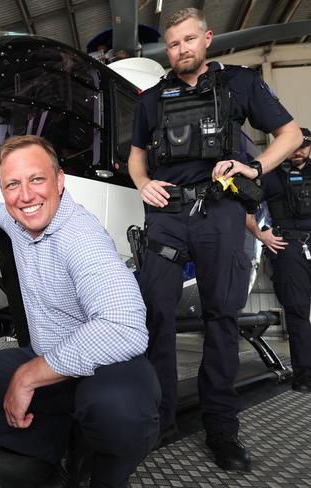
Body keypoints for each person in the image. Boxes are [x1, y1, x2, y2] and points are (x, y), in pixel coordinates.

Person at [128, 7, 302, 472]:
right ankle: (158, 419)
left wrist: (256, 166)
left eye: (188, 40)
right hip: (166, 215)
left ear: (206, 38)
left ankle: (221, 429)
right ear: (167, 49)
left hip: (220, 211)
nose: (181, 49)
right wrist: (142, 182)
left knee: (221, 317)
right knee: (154, 316)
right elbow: (135, 156)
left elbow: (288, 133)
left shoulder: (240, 83)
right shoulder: (151, 98)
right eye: (173, 44)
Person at [0, 135, 160, 488]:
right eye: (13, 184)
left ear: (60, 180)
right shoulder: (18, 216)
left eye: (37, 179)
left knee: (118, 410)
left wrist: (28, 376)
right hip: (49, 356)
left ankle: (105, 471)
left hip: (105, 365)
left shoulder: (81, 237)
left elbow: (125, 328)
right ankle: (70, 443)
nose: (25, 195)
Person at [247, 127, 311, 393]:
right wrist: (260, 235)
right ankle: (305, 377)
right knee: (297, 313)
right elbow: (242, 205)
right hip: (288, 248)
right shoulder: (269, 176)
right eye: (293, 147)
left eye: (303, 147)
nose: (298, 152)